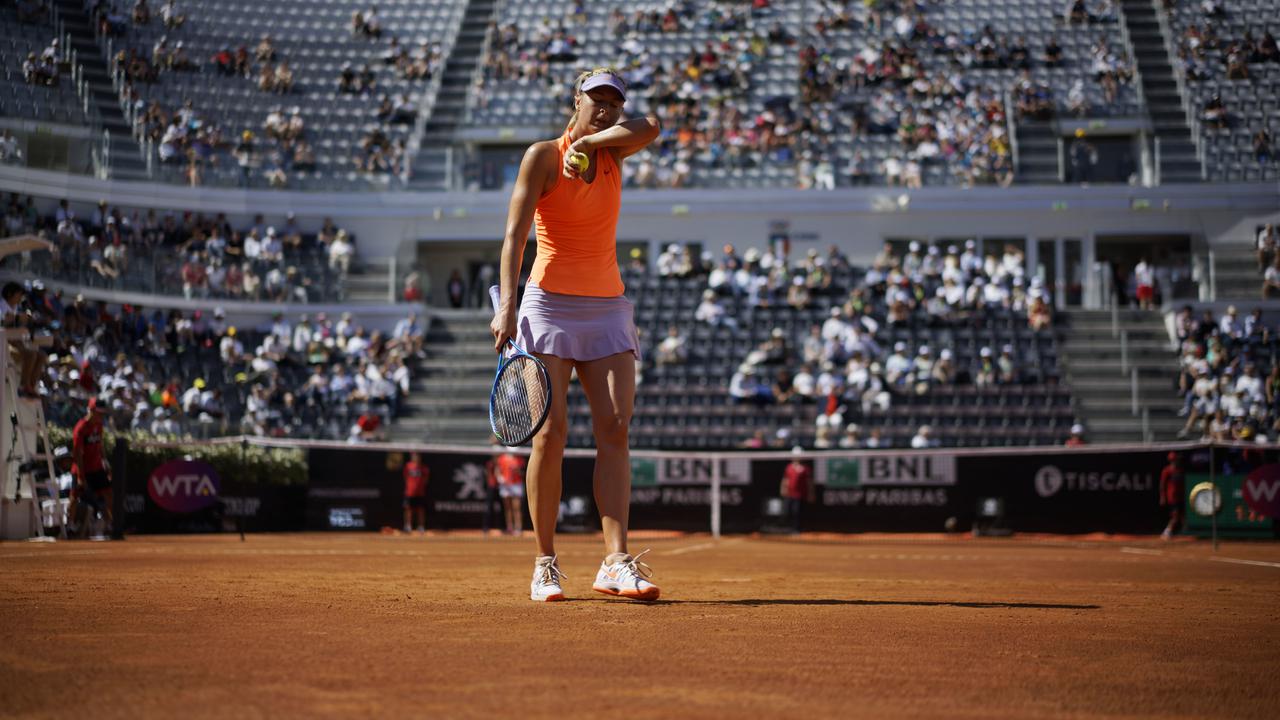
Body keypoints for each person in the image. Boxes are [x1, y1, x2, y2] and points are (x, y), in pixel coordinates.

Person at [490, 67, 661, 602]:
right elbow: (515, 236)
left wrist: (594, 143)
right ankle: (545, 563)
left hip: (607, 306)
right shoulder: (541, 155)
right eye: (596, 100)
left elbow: (650, 125)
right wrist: (507, 306)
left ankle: (615, 561)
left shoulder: (613, 151)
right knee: (551, 434)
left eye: (613, 101)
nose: (606, 107)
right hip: (547, 304)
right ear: (576, 100)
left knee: (615, 428)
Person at [70, 398, 112, 538]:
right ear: (91, 410)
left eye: (102, 413)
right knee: (74, 497)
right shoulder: (81, 428)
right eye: (98, 413)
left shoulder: (99, 425)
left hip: (96, 468)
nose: (100, 416)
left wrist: (105, 462)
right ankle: (70, 526)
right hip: (82, 469)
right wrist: (81, 477)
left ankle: (109, 524)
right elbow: (78, 455)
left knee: (107, 494)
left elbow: (100, 446)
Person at [779, 446, 814, 534]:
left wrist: (811, 493)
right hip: (789, 494)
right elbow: (785, 479)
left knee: (797, 512)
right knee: (787, 511)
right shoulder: (789, 467)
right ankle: (787, 528)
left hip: (800, 494)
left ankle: (797, 529)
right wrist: (783, 489)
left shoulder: (805, 468)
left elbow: (809, 482)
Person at [495, 446, 527, 536]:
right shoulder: (502, 458)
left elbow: (523, 472)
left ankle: (518, 528)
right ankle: (510, 527)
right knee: (507, 508)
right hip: (505, 485)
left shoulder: (520, 459)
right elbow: (497, 469)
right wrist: (499, 477)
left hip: (516, 484)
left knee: (517, 507)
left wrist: (518, 472)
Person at [1159, 452, 1184, 540]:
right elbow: (1162, 484)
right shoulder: (1167, 470)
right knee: (1175, 515)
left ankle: (1182, 530)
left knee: (1181, 515)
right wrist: (1162, 497)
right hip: (1172, 497)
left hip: (1180, 496)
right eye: (1175, 459)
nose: (1177, 461)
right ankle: (1167, 531)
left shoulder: (1180, 470)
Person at [402, 451, 428, 533]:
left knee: (420, 510)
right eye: (413, 456)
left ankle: (421, 526)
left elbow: (426, 480)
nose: (415, 457)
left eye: (417, 456)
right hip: (409, 492)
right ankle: (408, 526)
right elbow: (405, 477)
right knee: (408, 509)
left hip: (420, 492)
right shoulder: (408, 466)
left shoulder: (424, 468)